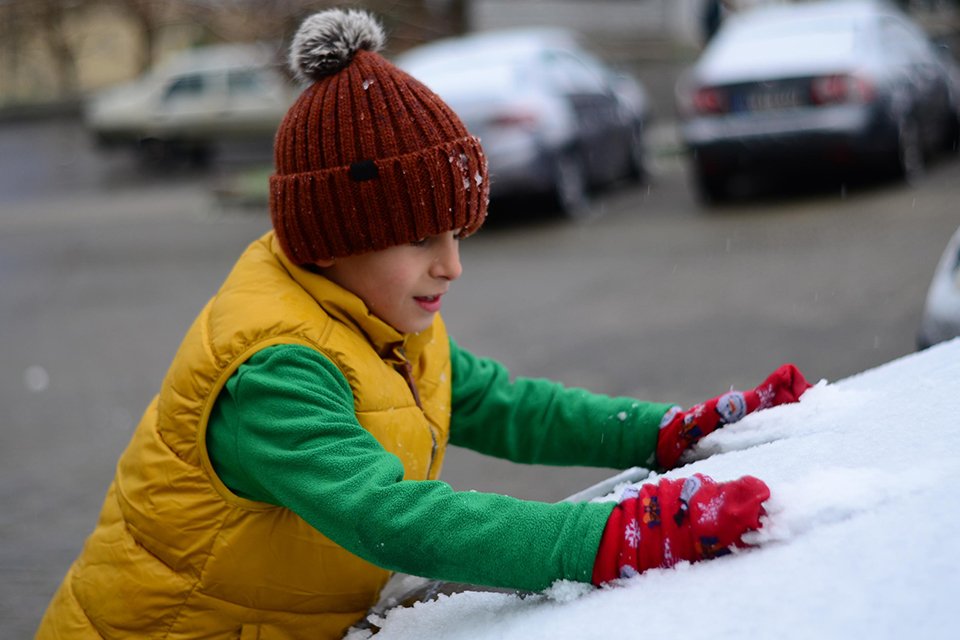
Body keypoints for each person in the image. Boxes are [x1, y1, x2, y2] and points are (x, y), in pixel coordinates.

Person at [37, 9, 811, 639]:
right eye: (421, 239)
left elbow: (503, 405)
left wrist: (664, 431)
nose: (452, 265)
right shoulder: (275, 369)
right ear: (332, 238)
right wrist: (610, 541)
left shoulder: (381, 318)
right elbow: (393, 518)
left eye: (458, 235)